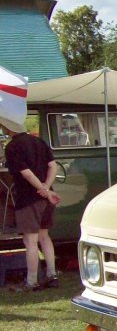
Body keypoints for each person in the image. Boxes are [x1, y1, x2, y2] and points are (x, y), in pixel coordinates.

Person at [1, 120, 61, 291]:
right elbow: (53, 166)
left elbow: (26, 173)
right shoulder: (39, 141)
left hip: (28, 198)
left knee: (30, 240)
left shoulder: (12, 147)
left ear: (9, 129)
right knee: (44, 237)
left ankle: (32, 281)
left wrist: (43, 189)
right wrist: (47, 188)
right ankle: (52, 275)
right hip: (47, 197)